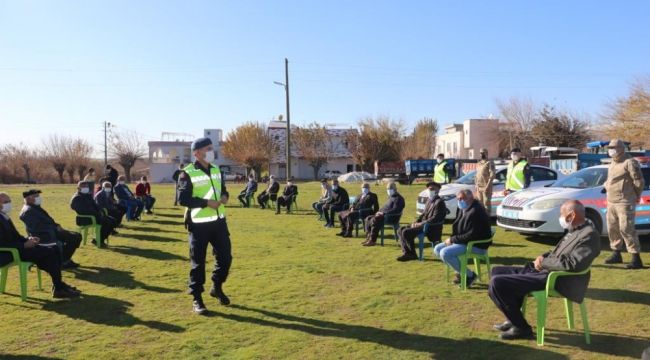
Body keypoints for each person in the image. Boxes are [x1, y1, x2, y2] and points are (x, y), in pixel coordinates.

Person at [488, 200, 600, 340]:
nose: (561, 218)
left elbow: (573, 264)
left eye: (562, 214)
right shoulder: (574, 229)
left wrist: (544, 262)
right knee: (496, 271)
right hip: (547, 272)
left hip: (558, 279)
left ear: (571, 215)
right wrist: (543, 257)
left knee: (498, 283)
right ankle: (513, 319)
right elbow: (558, 253)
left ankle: (522, 328)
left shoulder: (589, 234)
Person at [177, 137, 233, 315]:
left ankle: (216, 286)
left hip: (219, 222)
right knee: (198, 263)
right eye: (207, 149)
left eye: (211, 148)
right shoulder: (187, 173)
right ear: (197, 153)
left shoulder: (216, 169)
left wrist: (224, 197)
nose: (211, 151)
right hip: (199, 224)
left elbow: (223, 189)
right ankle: (197, 299)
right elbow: (183, 199)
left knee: (225, 258)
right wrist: (206, 203)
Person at [0, 192, 81, 298]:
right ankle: (59, 287)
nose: (9, 204)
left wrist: (29, 239)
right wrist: (24, 245)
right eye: (6, 202)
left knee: (52, 250)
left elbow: (16, 237)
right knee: (49, 252)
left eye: (9, 201)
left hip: (17, 249)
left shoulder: (4, 216)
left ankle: (59, 286)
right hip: (8, 253)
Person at [434, 189, 492, 287]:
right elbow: (457, 227)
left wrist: (453, 240)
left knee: (445, 253)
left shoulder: (476, 211)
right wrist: (452, 239)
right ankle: (462, 273)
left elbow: (472, 235)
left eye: (462, 198)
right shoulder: (462, 208)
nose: (459, 201)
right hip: (464, 241)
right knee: (437, 249)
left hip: (476, 245)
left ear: (470, 198)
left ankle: (470, 276)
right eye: (458, 199)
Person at [603, 139, 646, 269]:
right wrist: (606, 187)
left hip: (625, 202)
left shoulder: (630, 162)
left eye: (613, 147)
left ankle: (635, 258)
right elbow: (610, 180)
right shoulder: (612, 162)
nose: (611, 150)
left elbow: (639, 182)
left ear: (621, 148)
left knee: (626, 229)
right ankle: (616, 253)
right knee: (612, 228)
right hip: (611, 201)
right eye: (609, 147)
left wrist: (636, 196)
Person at [19, 189, 81, 269]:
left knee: (77, 235)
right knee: (75, 238)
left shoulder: (35, 207)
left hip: (52, 231)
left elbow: (48, 220)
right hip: (46, 235)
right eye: (36, 196)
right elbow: (37, 228)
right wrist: (55, 228)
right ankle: (64, 260)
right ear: (28, 198)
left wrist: (57, 225)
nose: (39, 198)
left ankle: (64, 259)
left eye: (38, 196)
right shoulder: (28, 211)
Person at [397, 182, 447, 261]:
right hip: (423, 225)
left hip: (431, 228)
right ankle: (407, 252)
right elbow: (423, 214)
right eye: (428, 189)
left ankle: (412, 254)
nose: (429, 191)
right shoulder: (429, 200)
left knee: (406, 232)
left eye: (432, 189)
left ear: (438, 190)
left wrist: (421, 223)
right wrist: (416, 222)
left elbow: (435, 218)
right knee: (400, 230)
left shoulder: (440, 202)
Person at [70, 181, 117, 247]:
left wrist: (100, 211)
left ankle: (99, 239)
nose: (86, 188)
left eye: (86, 186)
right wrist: (96, 213)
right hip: (86, 218)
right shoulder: (76, 198)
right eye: (83, 187)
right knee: (107, 222)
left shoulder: (88, 195)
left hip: (95, 216)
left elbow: (96, 205)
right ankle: (98, 240)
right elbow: (82, 211)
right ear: (78, 188)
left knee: (113, 220)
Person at [362, 182, 405, 247]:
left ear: (395, 189)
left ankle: (373, 240)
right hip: (384, 216)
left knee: (375, 219)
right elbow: (385, 207)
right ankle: (369, 237)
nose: (388, 191)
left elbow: (395, 210)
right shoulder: (390, 197)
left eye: (390, 189)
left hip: (392, 218)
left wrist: (383, 213)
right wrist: (379, 212)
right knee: (368, 218)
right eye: (387, 189)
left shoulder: (399, 199)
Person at [475, 148, 496, 215]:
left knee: (486, 204)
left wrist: (487, 186)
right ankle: (481, 220)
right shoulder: (479, 163)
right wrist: (476, 185)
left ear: (486, 153)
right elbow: (476, 175)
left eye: (483, 153)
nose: (481, 154)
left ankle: (487, 220)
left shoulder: (489, 163)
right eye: (480, 153)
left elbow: (492, 175)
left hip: (486, 186)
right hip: (479, 187)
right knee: (480, 204)